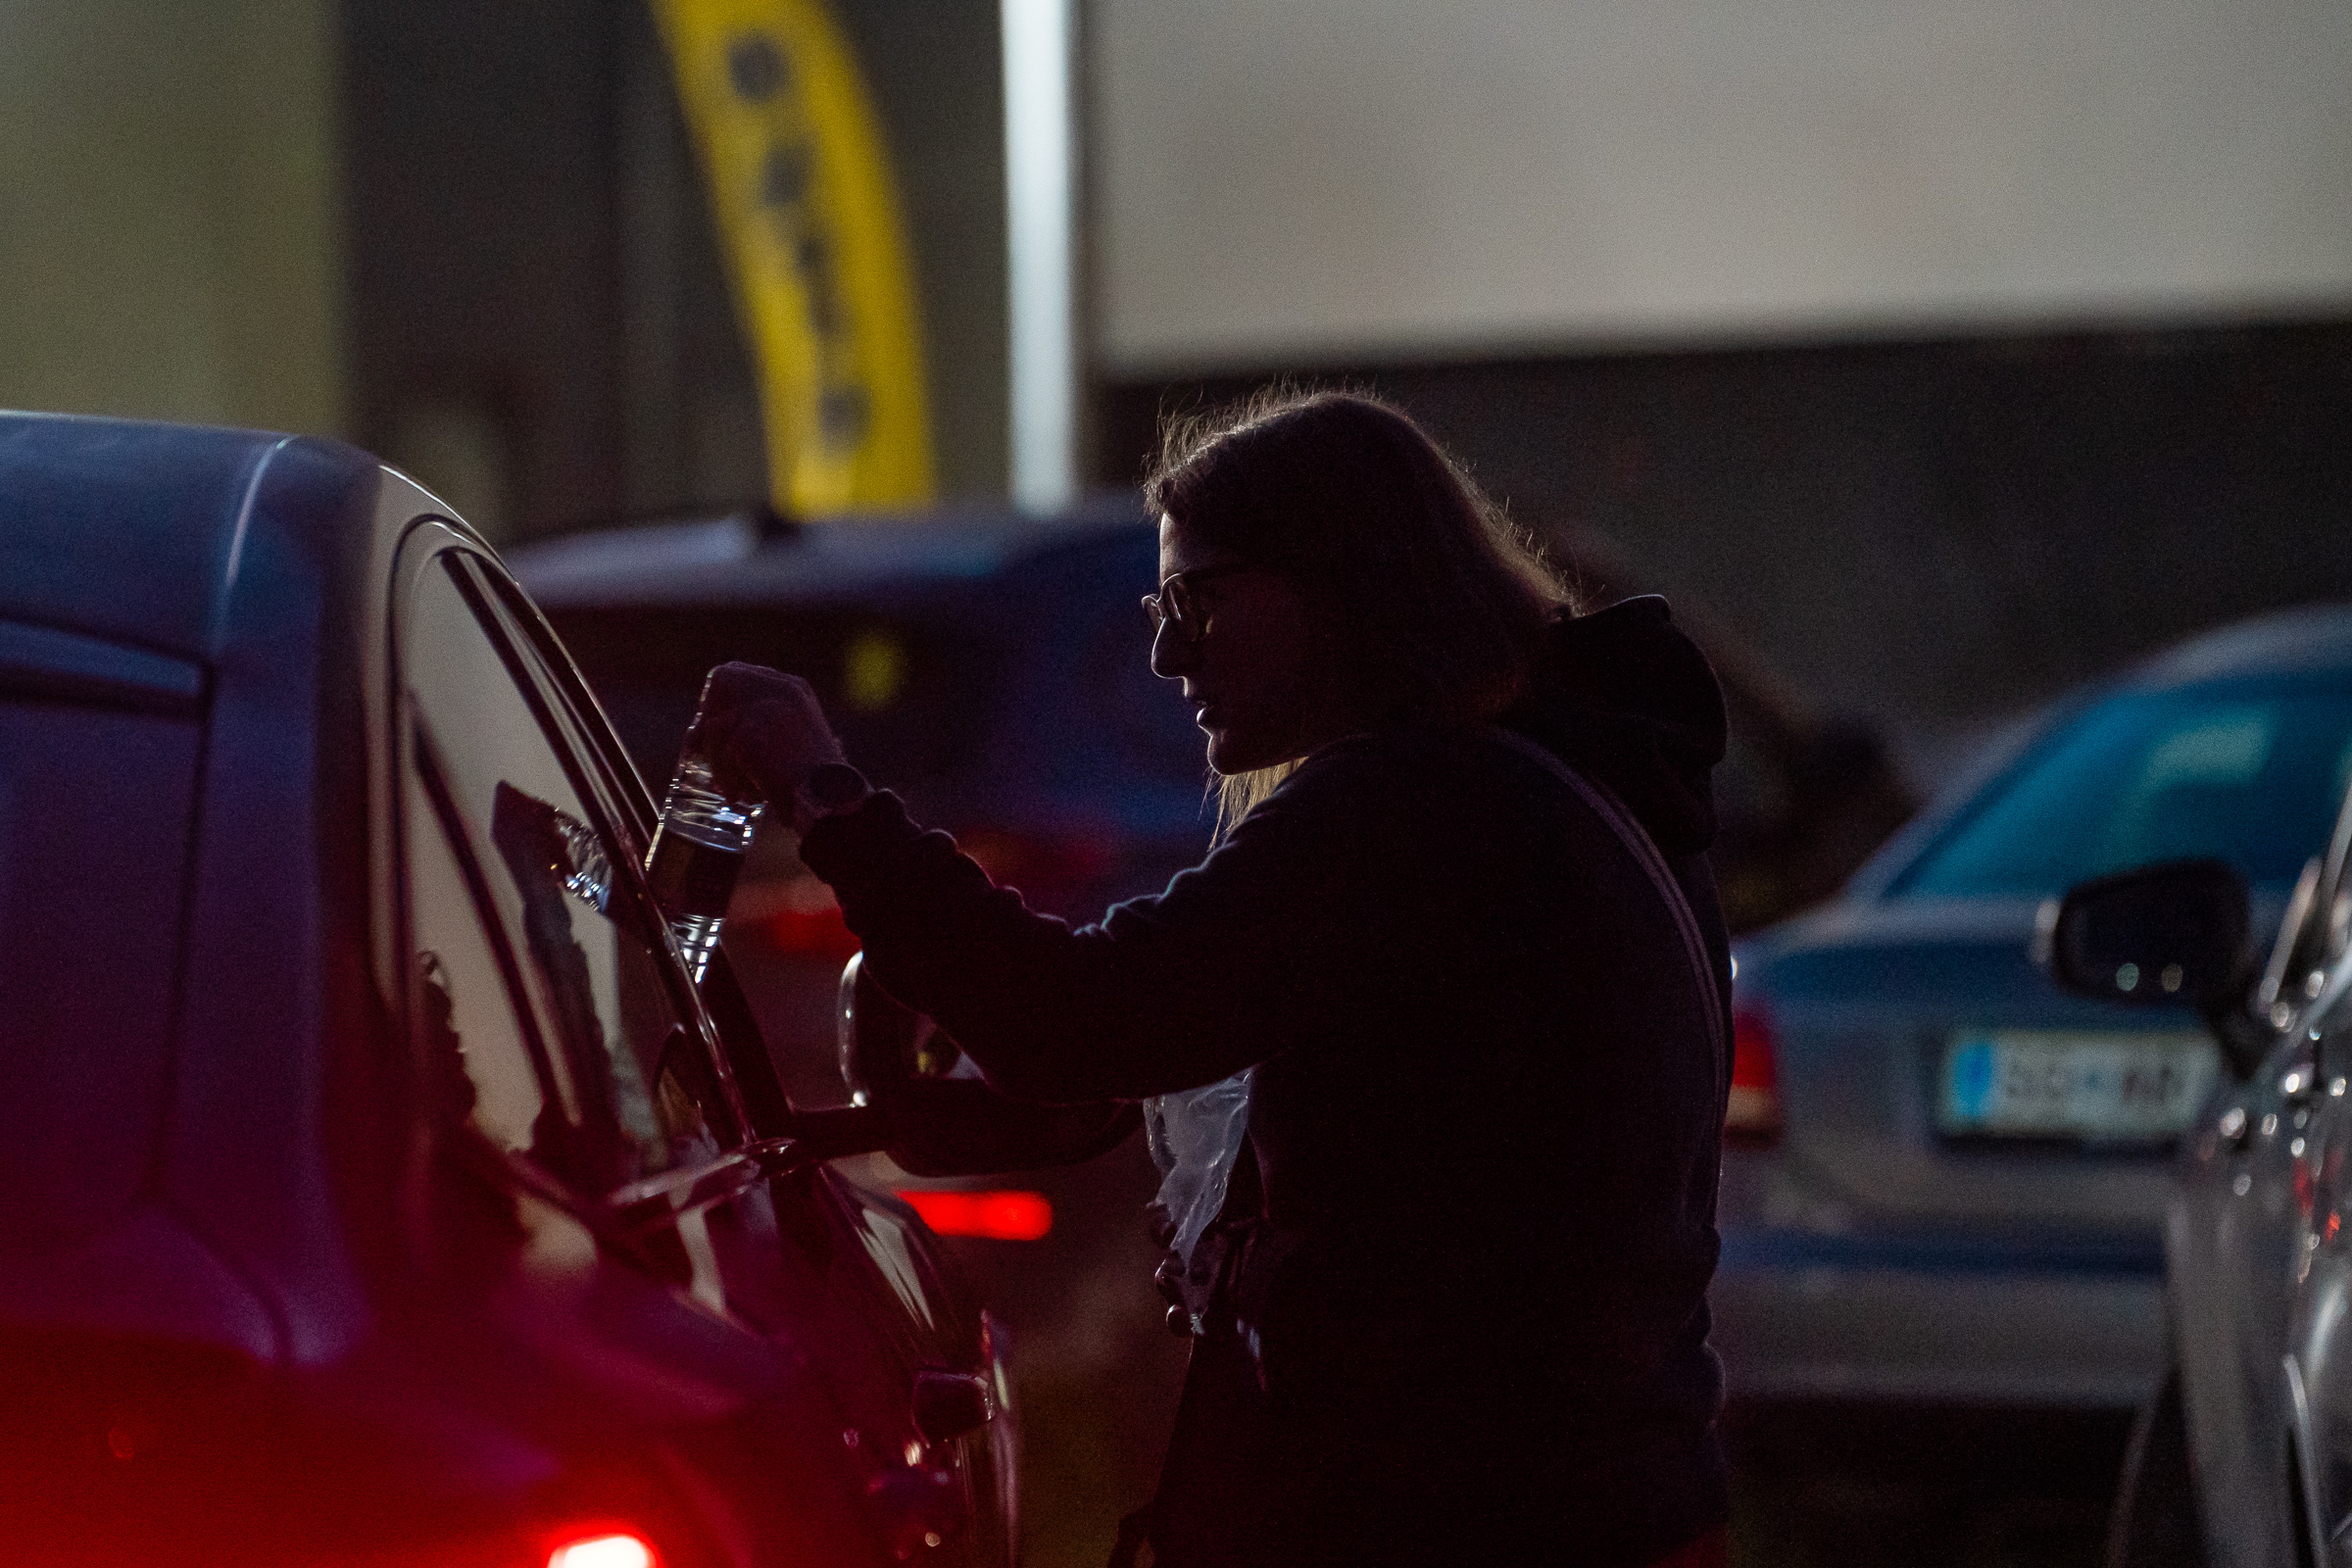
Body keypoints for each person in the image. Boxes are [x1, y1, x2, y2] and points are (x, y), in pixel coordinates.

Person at [702, 390, 1735, 1568]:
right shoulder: (1565, 785)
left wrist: (827, 797)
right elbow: (1391, 1097)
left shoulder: (1410, 811)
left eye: (1197, 602)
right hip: (1606, 1502)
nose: (1166, 653)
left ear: (1343, 585)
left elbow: (1087, 1017)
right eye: (1161, 609)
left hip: (1465, 1516)